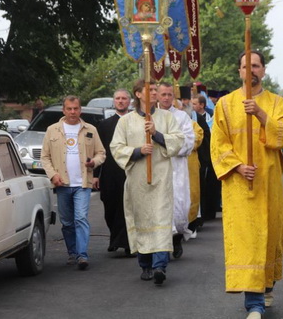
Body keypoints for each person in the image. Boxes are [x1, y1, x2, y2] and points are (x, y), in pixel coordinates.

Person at [210, 50, 283, 319]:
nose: (251, 71)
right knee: (247, 242)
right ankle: (254, 304)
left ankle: (267, 286)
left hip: (268, 186)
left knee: (270, 240)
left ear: (264, 70)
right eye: (246, 66)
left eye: (256, 66)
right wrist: (237, 165)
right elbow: (218, 145)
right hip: (240, 187)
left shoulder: (276, 103)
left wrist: (259, 114)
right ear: (239, 71)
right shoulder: (224, 105)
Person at [110, 79, 185, 286]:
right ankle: (145, 264)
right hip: (138, 180)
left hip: (160, 178)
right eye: (149, 90)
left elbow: (178, 141)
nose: (153, 93)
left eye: (155, 90)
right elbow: (116, 147)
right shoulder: (125, 121)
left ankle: (160, 265)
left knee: (161, 219)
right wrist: (137, 151)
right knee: (142, 220)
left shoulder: (167, 117)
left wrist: (156, 134)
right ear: (138, 94)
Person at [41, 95, 106, 270]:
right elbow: (45, 157)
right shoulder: (52, 130)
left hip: (83, 184)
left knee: (81, 218)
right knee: (68, 222)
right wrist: (53, 175)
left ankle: (82, 255)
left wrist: (94, 162)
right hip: (62, 184)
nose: (72, 112)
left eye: (75, 108)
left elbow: (101, 153)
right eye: (69, 109)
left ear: (80, 110)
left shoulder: (90, 129)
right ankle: (72, 252)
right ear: (64, 110)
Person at [157, 82, 196, 256]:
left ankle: (176, 237)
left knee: (179, 206)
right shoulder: (151, 116)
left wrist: (166, 143)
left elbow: (188, 142)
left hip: (176, 168)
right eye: (163, 94)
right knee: (159, 208)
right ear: (157, 95)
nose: (166, 98)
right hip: (157, 168)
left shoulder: (182, 117)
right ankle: (162, 247)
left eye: (169, 95)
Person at [94, 89, 133, 255]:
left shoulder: (135, 122)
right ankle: (115, 237)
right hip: (110, 172)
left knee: (128, 208)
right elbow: (98, 151)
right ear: (114, 101)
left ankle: (126, 242)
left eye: (124, 98)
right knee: (110, 205)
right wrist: (96, 175)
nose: (121, 101)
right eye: (118, 98)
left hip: (130, 170)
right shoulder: (104, 125)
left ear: (129, 101)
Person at [192, 93, 221, 222]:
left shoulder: (207, 117)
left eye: (194, 103)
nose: (192, 106)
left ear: (202, 105)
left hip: (204, 155)